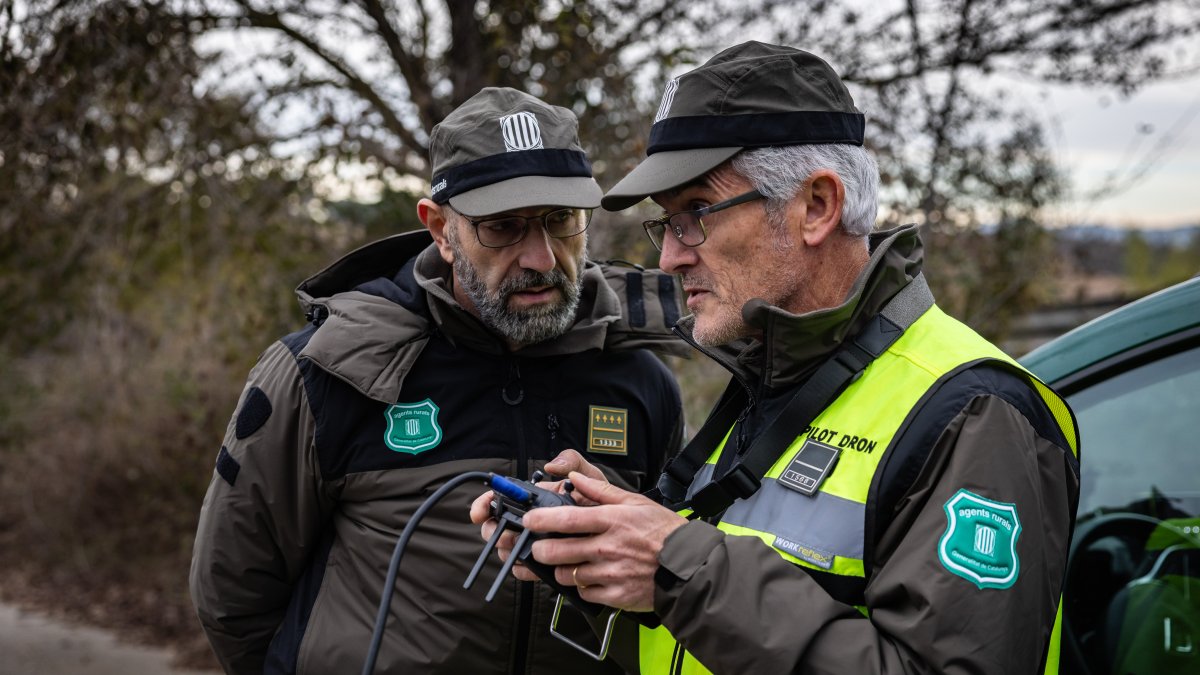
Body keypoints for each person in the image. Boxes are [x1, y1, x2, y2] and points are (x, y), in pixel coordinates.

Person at [472, 42, 1081, 674]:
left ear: (816, 207)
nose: (670, 258)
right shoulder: (772, 376)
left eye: (697, 214)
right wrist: (607, 541)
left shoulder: (975, 415)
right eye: (668, 222)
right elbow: (720, 621)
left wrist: (676, 564)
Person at [189, 87, 688, 675]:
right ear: (441, 231)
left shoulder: (639, 380)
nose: (543, 258)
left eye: (561, 221)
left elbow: (665, 586)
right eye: (502, 227)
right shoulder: (327, 371)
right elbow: (233, 595)